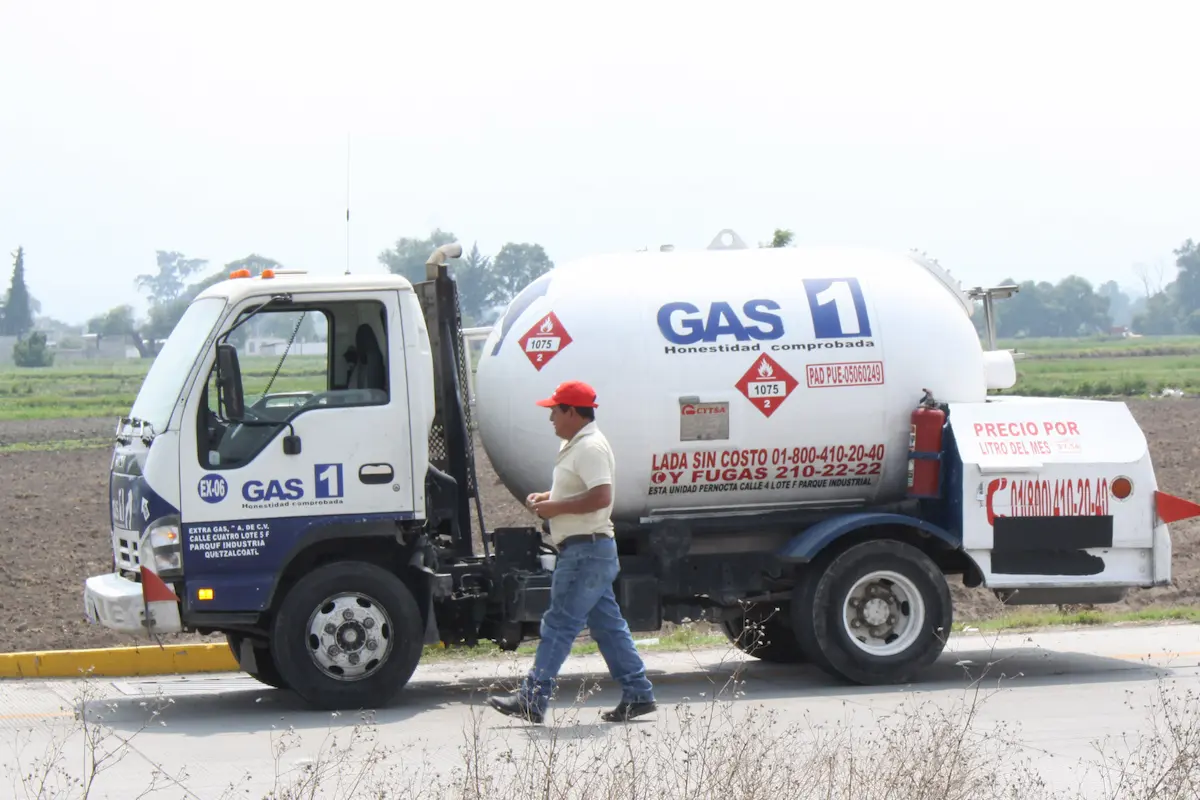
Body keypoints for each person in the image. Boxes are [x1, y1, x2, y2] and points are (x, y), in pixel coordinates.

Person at [488, 379, 657, 724]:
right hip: (590, 550)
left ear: (572, 412)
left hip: (586, 551)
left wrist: (557, 508)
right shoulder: (578, 444)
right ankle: (638, 693)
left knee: (559, 624)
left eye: (554, 411)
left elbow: (601, 497)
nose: (550, 418)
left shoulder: (589, 447)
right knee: (608, 627)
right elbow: (583, 492)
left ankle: (532, 698)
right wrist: (548, 498)